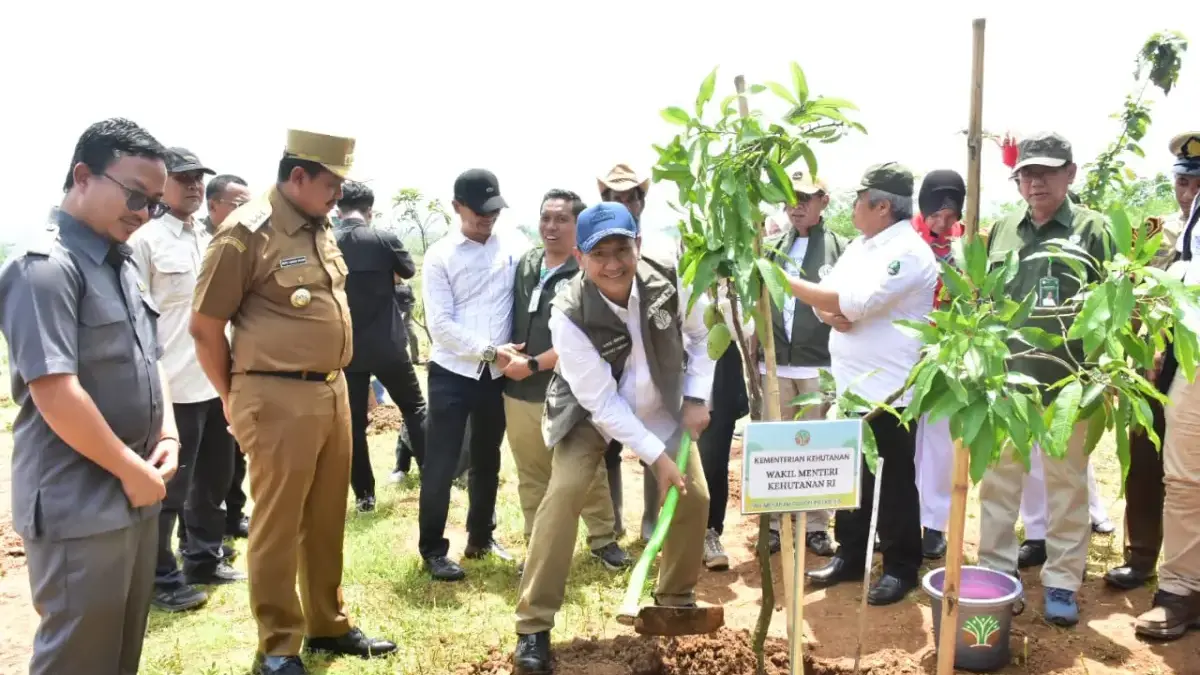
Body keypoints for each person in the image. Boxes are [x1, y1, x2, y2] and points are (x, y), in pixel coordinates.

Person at [190, 129, 395, 675]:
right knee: (279, 524)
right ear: (298, 176)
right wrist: (232, 399)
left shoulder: (318, 226)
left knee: (327, 516)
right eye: (332, 183)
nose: (338, 195)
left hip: (331, 390)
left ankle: (328, 623)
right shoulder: (245, 234)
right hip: (276, 394)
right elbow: (206, 326)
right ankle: (278, 644)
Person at [0, 118, 178, 675]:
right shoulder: (45, 269)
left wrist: (168, 431)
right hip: (79, 500)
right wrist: (130, 470)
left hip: (135, 487)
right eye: (134, 195)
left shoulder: (121, 263)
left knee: (120, 649)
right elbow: (55, 391)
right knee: (78, 656)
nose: (143, 213)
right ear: (82, 175)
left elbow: (153, 359)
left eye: (154, 203)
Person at [512, 202, 713, 673]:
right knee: (563, 496)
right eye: (599, 253)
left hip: (660, 403)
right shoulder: (568, 312)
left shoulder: (671, 280)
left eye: (622, 248)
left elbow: (703, 337)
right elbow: (603, 403)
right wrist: (655, 457)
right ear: (580, 258)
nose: (613, 263)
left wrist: (697, 397)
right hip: (588, 411)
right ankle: (533, 625)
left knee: (695, 496)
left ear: (637, 246)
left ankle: (674, 602)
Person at [976, 132, 1112, 627]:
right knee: (998, 484)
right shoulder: (1002, 230)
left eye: (1046, 172)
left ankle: (1061, 581)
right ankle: (995, 575)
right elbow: (986, 301)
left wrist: (1103, 374)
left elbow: (1112, 307)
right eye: (1026, 174)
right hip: (1007, 387)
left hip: (1067, 386)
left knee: (1066, 486)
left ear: (1071, 174)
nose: (1035, 183)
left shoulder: (1093, 230)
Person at [793, 162, 937, 606]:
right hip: (851, 387)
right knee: (852, 477)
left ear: (880, 206)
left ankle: (900, 566)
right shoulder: (860, 246)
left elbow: (852, 303)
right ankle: (851, 555)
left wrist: (787, 284)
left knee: (894, 480)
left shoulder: (909, 252)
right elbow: (830, 296)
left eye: (859, 200)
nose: (852, 207)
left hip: (891, 393)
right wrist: (829, 311)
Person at [129, 147, 245, 614]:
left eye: (199, 179)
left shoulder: (210, 237)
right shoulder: (147, 240)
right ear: (163, 184)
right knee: (171, 489)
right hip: (172, 386)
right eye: (184, 179)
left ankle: (202, 558)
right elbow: (135, 319)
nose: (194, 186)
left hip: (215, 382)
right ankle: (160, 576)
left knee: (215, 481)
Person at [502, 189, 629, 573]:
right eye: (546, 218)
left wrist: (536, 364)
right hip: (518, 390)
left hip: (571, 391)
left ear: (578, 226)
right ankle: (535, 543)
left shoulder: (589, 272)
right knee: (531, 473)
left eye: (562, 219)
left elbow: (586, 339)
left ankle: (604, 540)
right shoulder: (526, 262)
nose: (551, 227)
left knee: (585, 471)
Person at [418, 168, 525, 581]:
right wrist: (488, 351)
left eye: (494, 210)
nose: (488, 218)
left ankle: (481, 537)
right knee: (442, 464)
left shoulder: (513, 247)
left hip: (497, 376)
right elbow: (440, 325)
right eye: (479, 211)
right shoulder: (441, 256)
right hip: (453, 373)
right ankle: (432, 550)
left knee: (487, 458)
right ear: (457, 207)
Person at [1107, 130, 1199, 592]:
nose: (1190, 195)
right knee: (1143, 458)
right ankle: (1141, 556)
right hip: (1154, 370)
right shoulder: (1156, 235)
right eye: (1184, 184)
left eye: (1198, 184)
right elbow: (1131, 301)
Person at [755, 171, 846, 558]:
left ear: (824, 200)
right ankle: (775, 524)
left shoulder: (840, 249)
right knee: (775, 445)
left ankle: (815, 525)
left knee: (817, 446)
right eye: (791, 197)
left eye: (806, 197)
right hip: (775, 364)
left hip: (817, 364)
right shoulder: (772, 248)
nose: (797, 205)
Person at [1134, 134, 1200, 639]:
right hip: (1189, 363)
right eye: (1185, 177)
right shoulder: (1178, 230)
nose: (1191, 188)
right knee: (1183, 481)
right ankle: (1179, 589)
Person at [334, 180, 426, 512]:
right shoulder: (384, 239)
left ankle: (364, 496)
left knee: (354, 423)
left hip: (347, 349)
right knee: (414, 408)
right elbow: (408, 270)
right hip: (388, 344)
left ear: (337, 209)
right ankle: (432, 476)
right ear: (370, 211)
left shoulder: (327, 242)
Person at [911, 169, 966, 561]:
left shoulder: (965, 247)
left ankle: (934, 525)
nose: (944, 224)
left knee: (939, 443)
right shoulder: (903, 241)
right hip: (904, 353)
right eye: (937, 215)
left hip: (947, 355)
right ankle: (901, 518)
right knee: (904, 445)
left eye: (951, 216)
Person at [201, 173, 253, 539]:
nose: (245, 213)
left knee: (233, 458)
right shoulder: (211, 244)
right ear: (213, 205)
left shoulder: (244, 243)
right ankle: (199, 547)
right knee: (198, 470)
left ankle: (233, 520)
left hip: (232, 367)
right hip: (189, 373)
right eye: (238, 205)